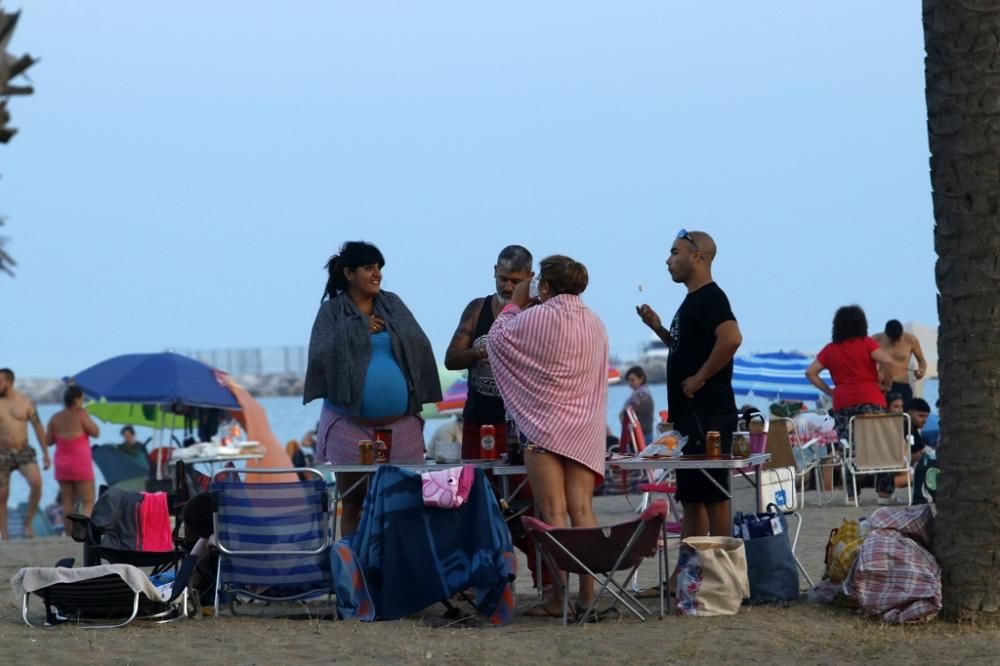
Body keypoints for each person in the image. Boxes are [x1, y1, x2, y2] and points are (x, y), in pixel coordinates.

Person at [488, 255, 608, 618]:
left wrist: (514, 303)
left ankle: (559, 597)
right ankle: (587, 595)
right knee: (583, 510)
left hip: (542, 428)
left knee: (553, 512)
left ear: (544, 286)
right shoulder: (595, 322)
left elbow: (497, 340)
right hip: (584, 428)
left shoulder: (533, 316)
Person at [304, 241, 441, 536]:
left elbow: (419, 343)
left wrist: (389, 331)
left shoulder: (393, 305)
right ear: (349, 273)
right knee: (353, 500)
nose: (377, 274)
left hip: (400, 424)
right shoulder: (332, 313)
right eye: (369, 268)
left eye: (379, 267)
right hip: (349, 424)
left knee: (404, 500)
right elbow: (321, 355)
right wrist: (359, 330)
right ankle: (354, 568)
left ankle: (398, 566)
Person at [636, 230, 742, 542]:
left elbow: (732, 338)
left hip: (707, 415)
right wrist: (658, 328)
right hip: (689, 418)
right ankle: (687, 574)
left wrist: (700, 377)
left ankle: (723, 575)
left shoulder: (712, 297)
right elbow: (684, 349)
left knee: (715, 499)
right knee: (693, 502)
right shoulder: (692, 301)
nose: (668, 261)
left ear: (697, 256)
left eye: (674, 252)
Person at [444, 245, 533, 458]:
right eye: (503, 279)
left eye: (516, 282)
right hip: (477, 419)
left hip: (521, 425)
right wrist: (482, 352)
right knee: (476, 488)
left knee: (519, 490)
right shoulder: (477, 308)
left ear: (530, 278)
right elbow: (451, 359)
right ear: (494, 271)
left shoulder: (536, 313)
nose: (508, 287)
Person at [805, 305, 899, 502]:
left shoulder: (830, 349)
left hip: (843, 402)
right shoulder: (867, 343)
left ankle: (851, 494)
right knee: (879, 444)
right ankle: (883, 493)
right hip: (871, 398)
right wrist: (886, 382)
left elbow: (811, 372)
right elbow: (889, 361)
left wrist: (830, 391)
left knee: (847, 448)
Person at [0, 367, 50, 540]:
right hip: (2, 453)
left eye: (0, 381)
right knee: (2, 495)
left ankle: (28, 522)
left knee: (36, 483)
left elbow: (38, 426)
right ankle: (4, 534)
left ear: (9, 382)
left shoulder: (25, 402)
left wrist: (45, 453)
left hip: (23, 450)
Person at [44, 384, 100, 535]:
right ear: (77, 400)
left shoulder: (55, 417)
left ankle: (69, 534)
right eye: (82, 399)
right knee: (88, 500)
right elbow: (96, 432)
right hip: (80, 463)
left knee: (67, 501)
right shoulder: (81, 414)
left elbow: (48, 441)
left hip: (62, 464)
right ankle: (82, 532)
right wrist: (84, 414)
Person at [873, 319, 928, 404]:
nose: (895, 343)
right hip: (882, 385)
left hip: (902, 385)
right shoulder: (876, 339)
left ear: (902, 333)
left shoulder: (911, 340)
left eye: (898, 339)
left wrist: (922, 371)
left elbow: (921, 361)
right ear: (886, 334)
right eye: (892, 340)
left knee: (904, 415)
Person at [619, 366, 655, 445]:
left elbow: (629, 411)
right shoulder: (642, 393)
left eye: (632, 380)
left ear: (641, 379)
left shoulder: (641, 395)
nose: (629, 382)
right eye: (628, 380)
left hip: (642, 436)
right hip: (642, 435)